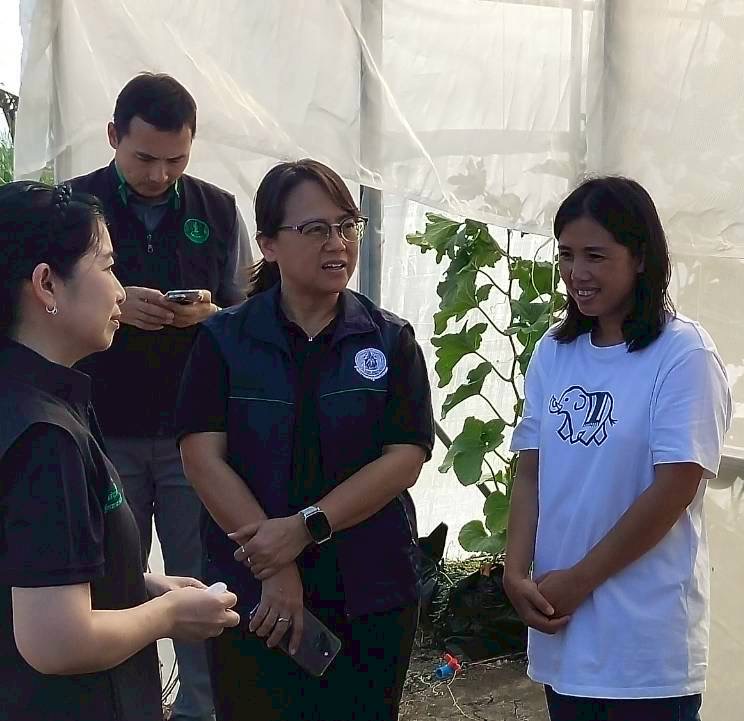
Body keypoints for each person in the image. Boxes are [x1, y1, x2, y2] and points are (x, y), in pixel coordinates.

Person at [175, 158, 433, 720]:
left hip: (370, 588)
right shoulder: (225, 340)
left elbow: (405, 457)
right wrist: (277, 566)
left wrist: (304, 528)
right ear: (267, 243)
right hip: (255, 596)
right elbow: (201, 457)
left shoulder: (390, 341)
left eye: (347, 225)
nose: (337, 243)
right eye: (315, 230)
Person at [0, 181, 239, 721]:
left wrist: (137, 582)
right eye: (108, 268)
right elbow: (56, 640)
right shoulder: (46, 437)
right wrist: (168, 613)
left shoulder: (35, 400)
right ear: (46, 284)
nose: (119, 291)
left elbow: (34, 567)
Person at [503, 176, 732, 721]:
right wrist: (515, 573)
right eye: (566, 255)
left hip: (644, 647)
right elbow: (530, 471)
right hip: (564, 629)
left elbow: (674, 489)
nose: (577, 273)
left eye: (596, 256)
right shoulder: (555, 353)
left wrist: (580, 579)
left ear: (641, 258)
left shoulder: (682, 354)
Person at [67, 71, 252, 721]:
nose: (160, 174)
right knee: (109, 581)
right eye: (145, 157)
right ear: (114, 136)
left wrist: (211, 315)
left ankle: (201, 709)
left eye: (177, 159)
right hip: (97, 429)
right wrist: (121, 303)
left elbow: (244, 310)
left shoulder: (217, 209)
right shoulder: (73, 209)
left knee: (199, 583)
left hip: (191, 436)